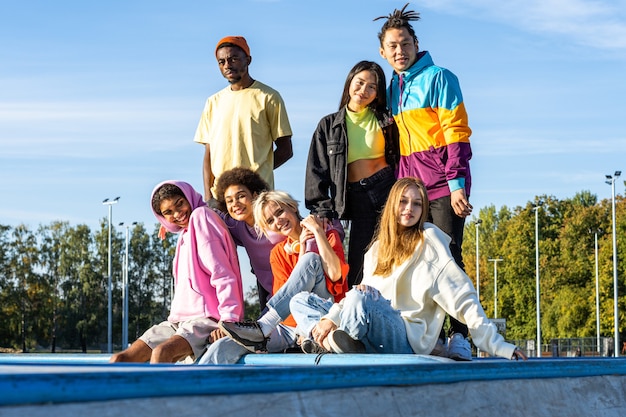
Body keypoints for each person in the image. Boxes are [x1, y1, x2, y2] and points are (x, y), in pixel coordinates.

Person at [290, 177, 527, 361]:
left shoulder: (430, 240)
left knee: (359, 298)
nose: (409, 209)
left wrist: (500, 346)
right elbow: (362, 295)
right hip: (370, 323)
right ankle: (339, 341)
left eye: (416, 203)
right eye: (403, 201)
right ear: (393, 204)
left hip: (403, 336)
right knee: (300, 301)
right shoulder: (378, 248)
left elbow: (463, 298)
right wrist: (331, 317)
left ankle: (334, 342)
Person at [374, 3, 472, 359]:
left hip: (444, 185)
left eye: (405, 43)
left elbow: (456, 133)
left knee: (448, 257)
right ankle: (427, 336)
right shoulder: (392, 88)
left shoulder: (440, 78)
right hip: (410, 189)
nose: (400, 51)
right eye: (392, 47)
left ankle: (461, 335)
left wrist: (457, 183)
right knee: (413, 259)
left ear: (416, 43)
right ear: (382, 53)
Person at [198, 190, 349, 364]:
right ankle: (193, 385)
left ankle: (263, 326)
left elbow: (336, 275)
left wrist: (317, 233)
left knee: (311, 259)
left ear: (292, 207)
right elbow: (287, 303)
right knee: (225, 345)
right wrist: (302, 249)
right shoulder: (278, 253)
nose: (278, 221)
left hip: (320, 315)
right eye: (270, 221)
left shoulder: (327, 234)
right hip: (288, 327)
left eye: (279, 212)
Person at [109, 180, 244, 364]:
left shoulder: (201, 217)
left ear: (189, 197)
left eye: (180, 203)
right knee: (120, 359)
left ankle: (160, 394)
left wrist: (229, 320)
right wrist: (168, 224)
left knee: (161, 354)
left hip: (206, 320)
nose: (177, 214)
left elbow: (222, 273)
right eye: (168, 213)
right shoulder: (185, 234)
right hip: (178, 321)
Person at [305, 60, 399, 288]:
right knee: (360, 259)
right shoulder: (328, 125)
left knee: (394, 253)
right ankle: (357, 315)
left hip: (387, 189)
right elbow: (317, 169)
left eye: (371, 87)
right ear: (349, 83)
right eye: (359, 83)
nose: (363, 90)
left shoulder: (387, 119)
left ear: (377, 94)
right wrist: (322, 207)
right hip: (356, 196)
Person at [194, 36, 293, 202]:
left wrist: (257, 176)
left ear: (248, 60)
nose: (227, 65)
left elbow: (286, 150)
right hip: (221, 197)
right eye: (221, 61)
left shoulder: (268, 97)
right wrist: (208, 196)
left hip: (258, 196)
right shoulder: (213, 102)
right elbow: (208, 155)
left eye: (233, 59)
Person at [214, 167, 282, 310]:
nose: (235, 204)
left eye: (240, 196)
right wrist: (168, 222)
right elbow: (203, 208)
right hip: (274, 301)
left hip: (301, 292)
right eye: (229, 201)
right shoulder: (238, 227)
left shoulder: (276, 220)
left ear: (255, 196)